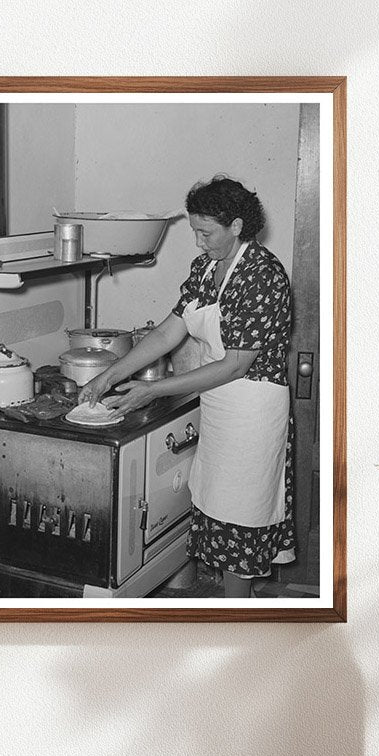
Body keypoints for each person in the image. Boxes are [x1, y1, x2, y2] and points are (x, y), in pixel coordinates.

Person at [80, 175, 295, 597]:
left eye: (206, 232)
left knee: (242, 520)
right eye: (195, 231)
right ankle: (234, 610)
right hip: (219, 405)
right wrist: (110, 374)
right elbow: (166, 334)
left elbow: (236, 364)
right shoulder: (206, 268)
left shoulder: (262, 274)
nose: (198, 242)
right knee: (218, 508)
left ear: (236, 226)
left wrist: (152, 390)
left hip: (252, 410)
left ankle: (238, 622)